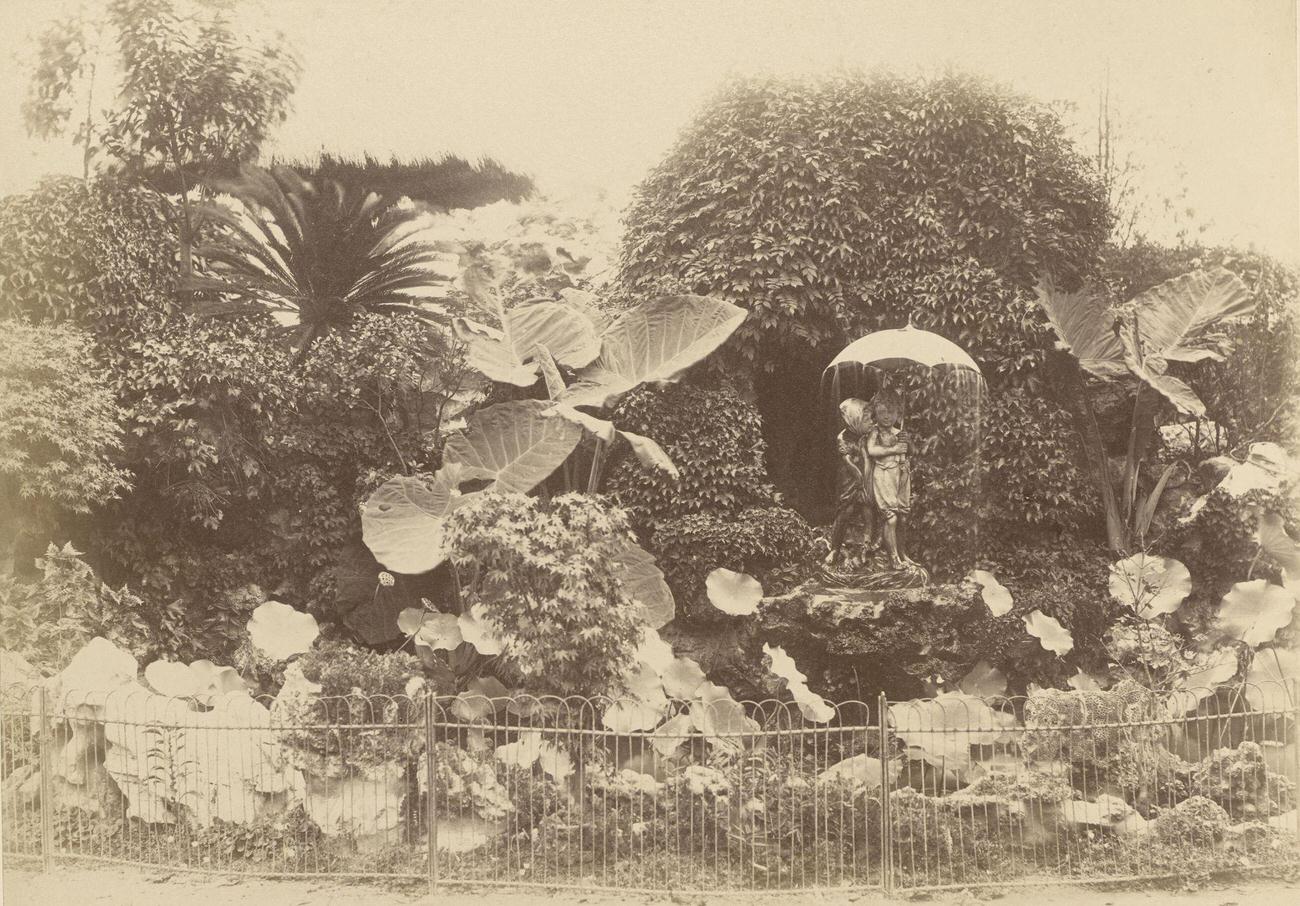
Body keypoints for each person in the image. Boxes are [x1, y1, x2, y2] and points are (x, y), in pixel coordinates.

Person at [866, 389, 917, 569]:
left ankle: (903, 554)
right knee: (891, 517)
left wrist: (908, 443)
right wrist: (893, 450)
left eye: (891, 412)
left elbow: (912, 452)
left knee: (902, 516)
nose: (887, 416)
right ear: (876, 413)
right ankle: (893, 558)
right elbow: (872, 451)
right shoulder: (875, 432)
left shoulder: (899, 432)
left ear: (898, 413)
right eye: (882, 412)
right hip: (884, 474)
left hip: (902, 473)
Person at [824, 398, 875, 566]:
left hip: (866, 477)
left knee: (868, 511)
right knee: (845, 511)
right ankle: (835, 548)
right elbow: (848, 463)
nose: (871, 422)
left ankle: (866, 547)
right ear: (855, 419)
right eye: (867, 419)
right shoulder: (843, 437)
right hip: (850, 480)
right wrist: (860, 479)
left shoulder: (867, 436)